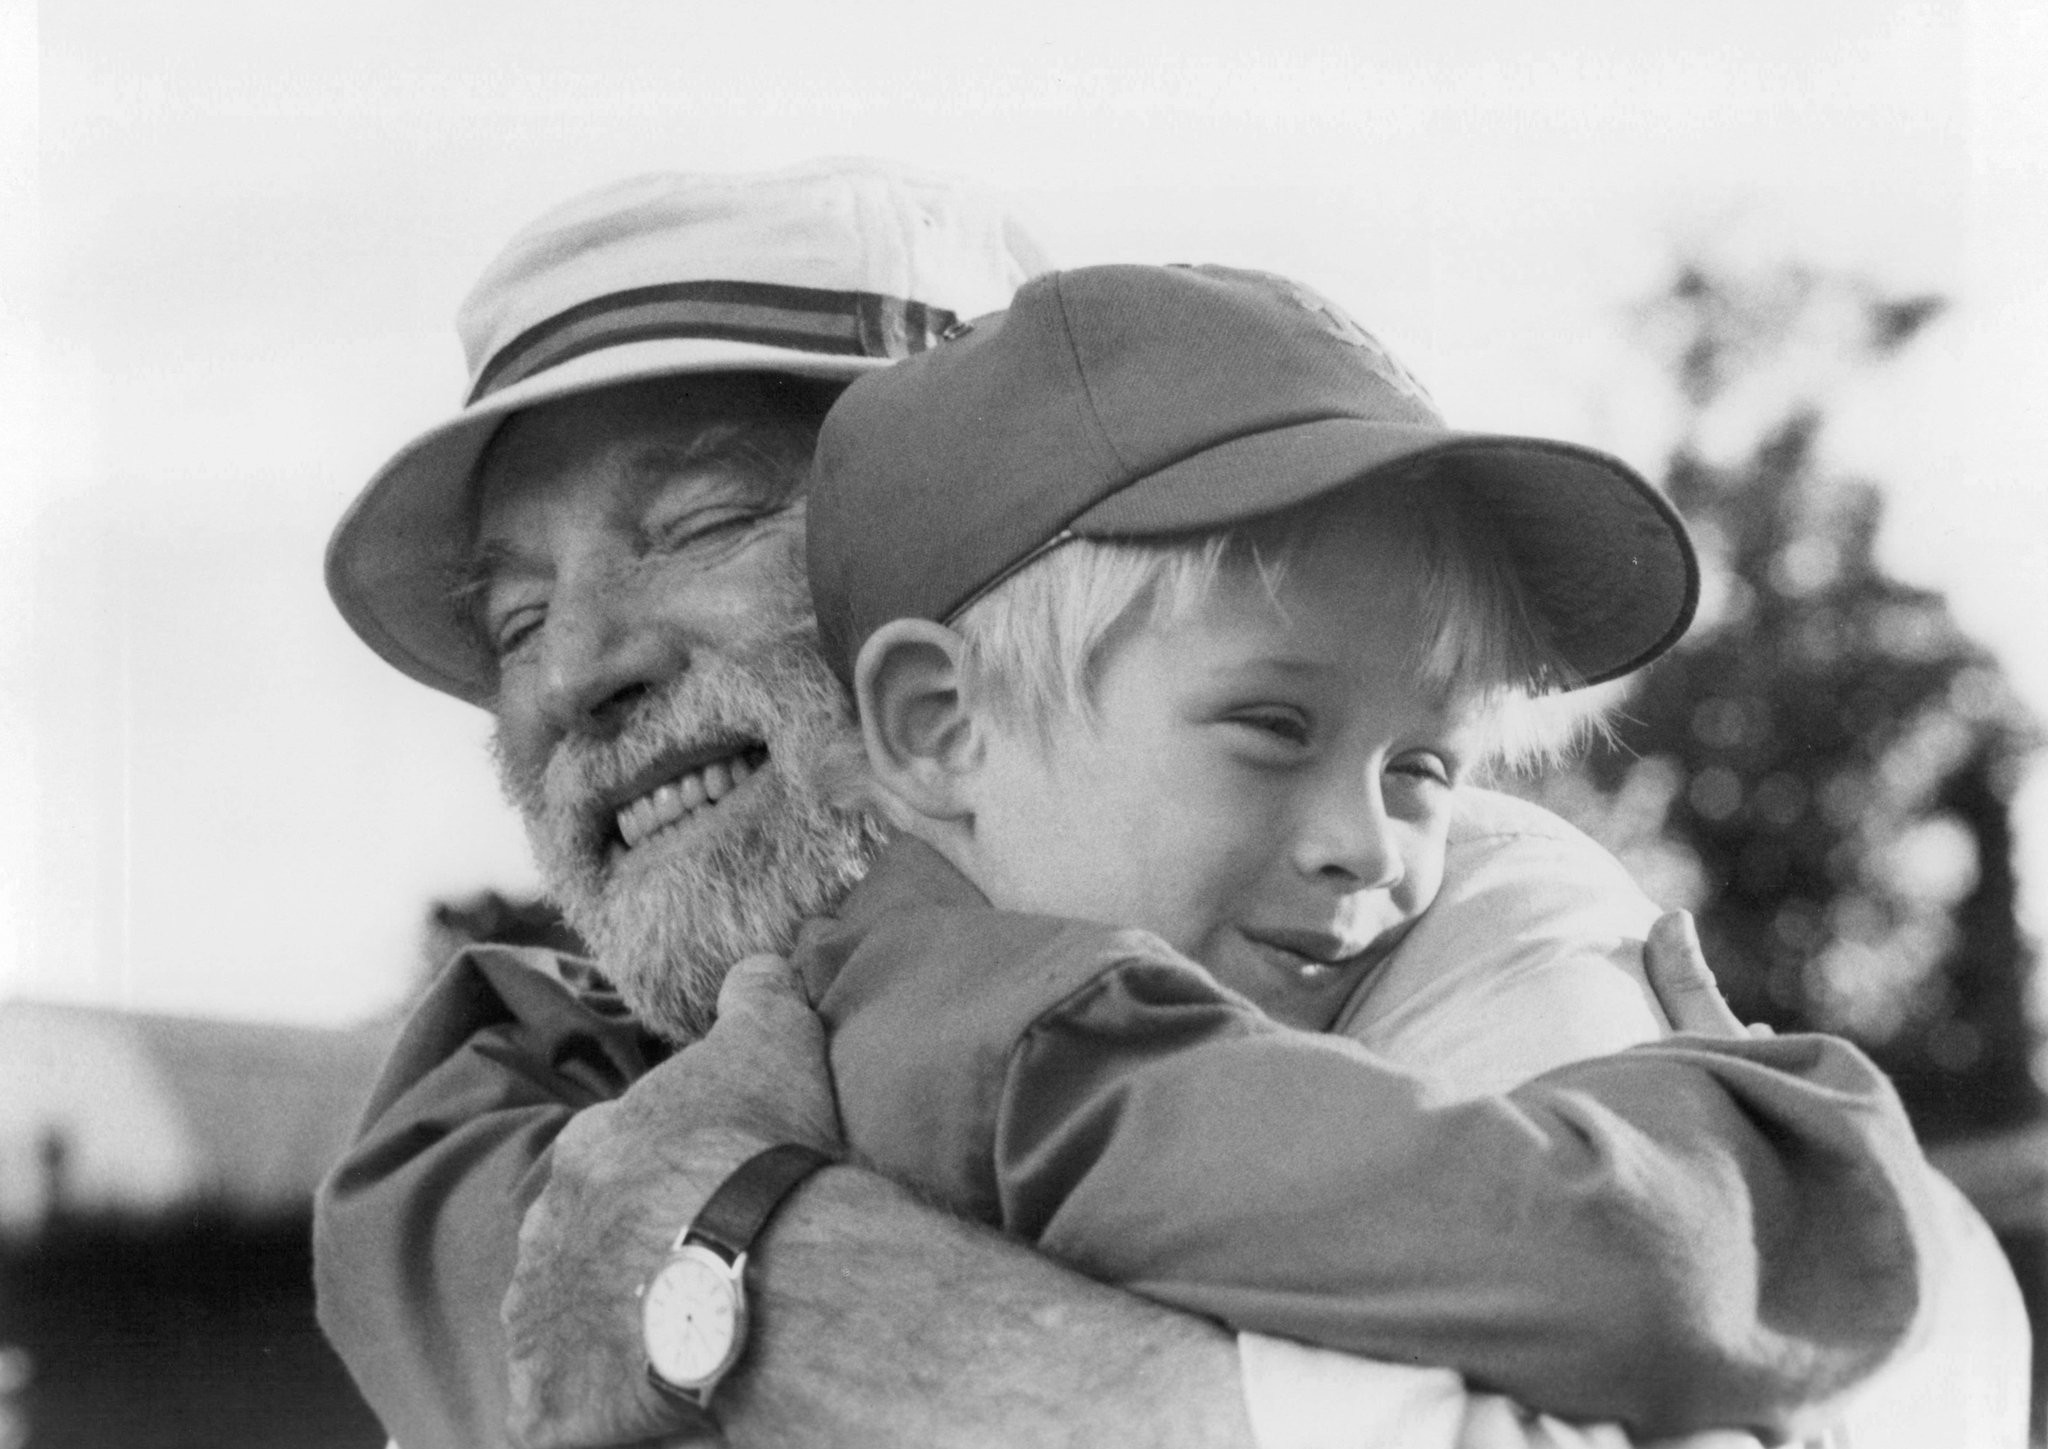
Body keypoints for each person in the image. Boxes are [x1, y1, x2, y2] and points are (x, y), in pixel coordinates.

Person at [314, 160, 2032, 1449]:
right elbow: (1675, 1267)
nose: (574, 672)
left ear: (946, 599)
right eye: (512, 617)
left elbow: (1867, 1383)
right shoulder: (495, 1097)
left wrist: (739, 1283)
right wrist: (1787, 1161)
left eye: (693, 521)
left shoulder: (1439, 907)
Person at [761, 259, 1933, 1438]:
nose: (1366, 846)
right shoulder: (1030, 1049)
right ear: (939, 725)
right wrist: (1784, 1139)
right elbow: (1620, 1270)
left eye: (1421, 767)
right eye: (1270, 728)